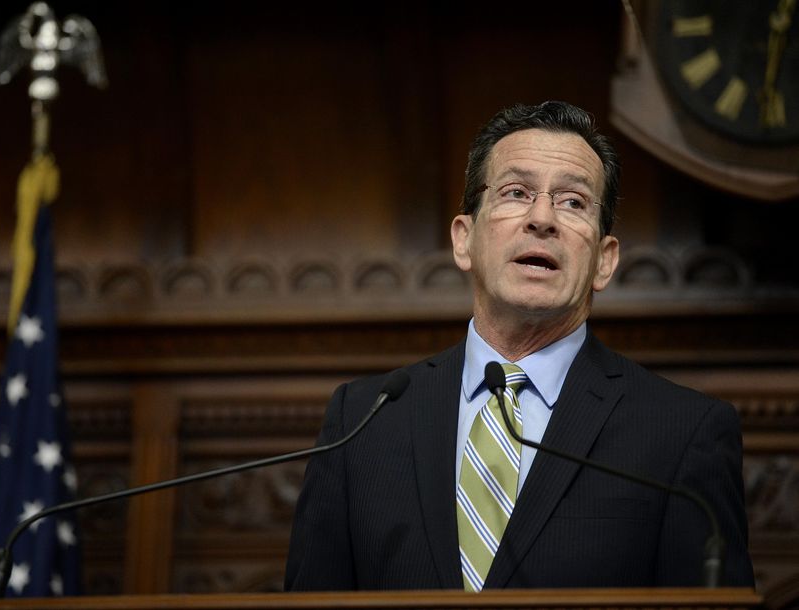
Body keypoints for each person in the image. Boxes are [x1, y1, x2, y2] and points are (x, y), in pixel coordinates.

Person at [284, 101, 755, 591]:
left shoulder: (683, 432)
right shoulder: (362, 420)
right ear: (464, 240)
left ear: (604, 261)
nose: (543, 218)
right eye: (516, 192)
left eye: (574, 202)